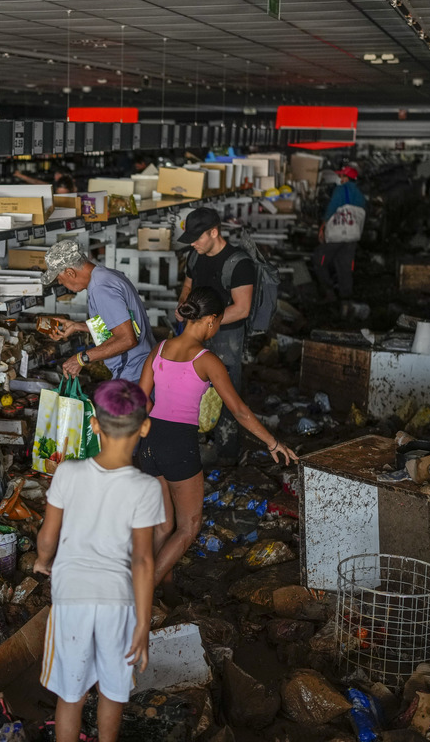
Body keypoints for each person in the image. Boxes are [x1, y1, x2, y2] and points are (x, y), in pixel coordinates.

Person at [138, 288, 297, 590]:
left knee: (163, 526)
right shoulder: (206, 359)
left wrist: (156, 424)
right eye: (219, 322)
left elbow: (140, 399)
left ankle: (162, 589)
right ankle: (142, 595)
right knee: (188, 528)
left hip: (149, 441)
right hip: (178, 444)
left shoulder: (159, 349)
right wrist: (273, 442)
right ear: (210, 320)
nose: (218, 328)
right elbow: (239, 410)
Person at [34, 380, 164, 742]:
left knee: (70, 694)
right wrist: (142, 623)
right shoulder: (146, 488)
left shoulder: (68, 472)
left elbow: (49, 534)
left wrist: (43, 560)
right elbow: (142, 561)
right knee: (112, 690)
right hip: (118, 602)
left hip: (72, 597)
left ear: (94, 424)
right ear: (144, 426)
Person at [175, 206, 254, 460]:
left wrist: (205, 323)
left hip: (226, 338)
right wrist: (182, 306)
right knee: (190, 388)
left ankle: (226, 455)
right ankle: (194, 448)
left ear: (214, 232)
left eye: (197, 238)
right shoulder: (195, 255)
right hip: (195, 333)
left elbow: (241, 309)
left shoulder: (239, 263)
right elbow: (188, 286)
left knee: (226, 393)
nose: (193, 244)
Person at [42, 238, 156, 382]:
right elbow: (121, 325)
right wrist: (78, 326)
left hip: (133, 372)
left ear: (70, 272)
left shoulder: (101, 289)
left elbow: (127, 339)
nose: (59, 282)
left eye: (59, 278)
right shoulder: (105, 275)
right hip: (143, 367)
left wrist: (81, 358)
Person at [313, 165, 366, 301]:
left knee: (320, 259)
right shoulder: (359, 194)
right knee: (345, 265)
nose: (340, 178)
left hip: (338, 234)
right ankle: (346, 298)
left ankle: (329, 291)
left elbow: (332, 207)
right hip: (352, 235)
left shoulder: (341, 189)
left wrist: (323, 226)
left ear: (347, 178)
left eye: (342, 176)